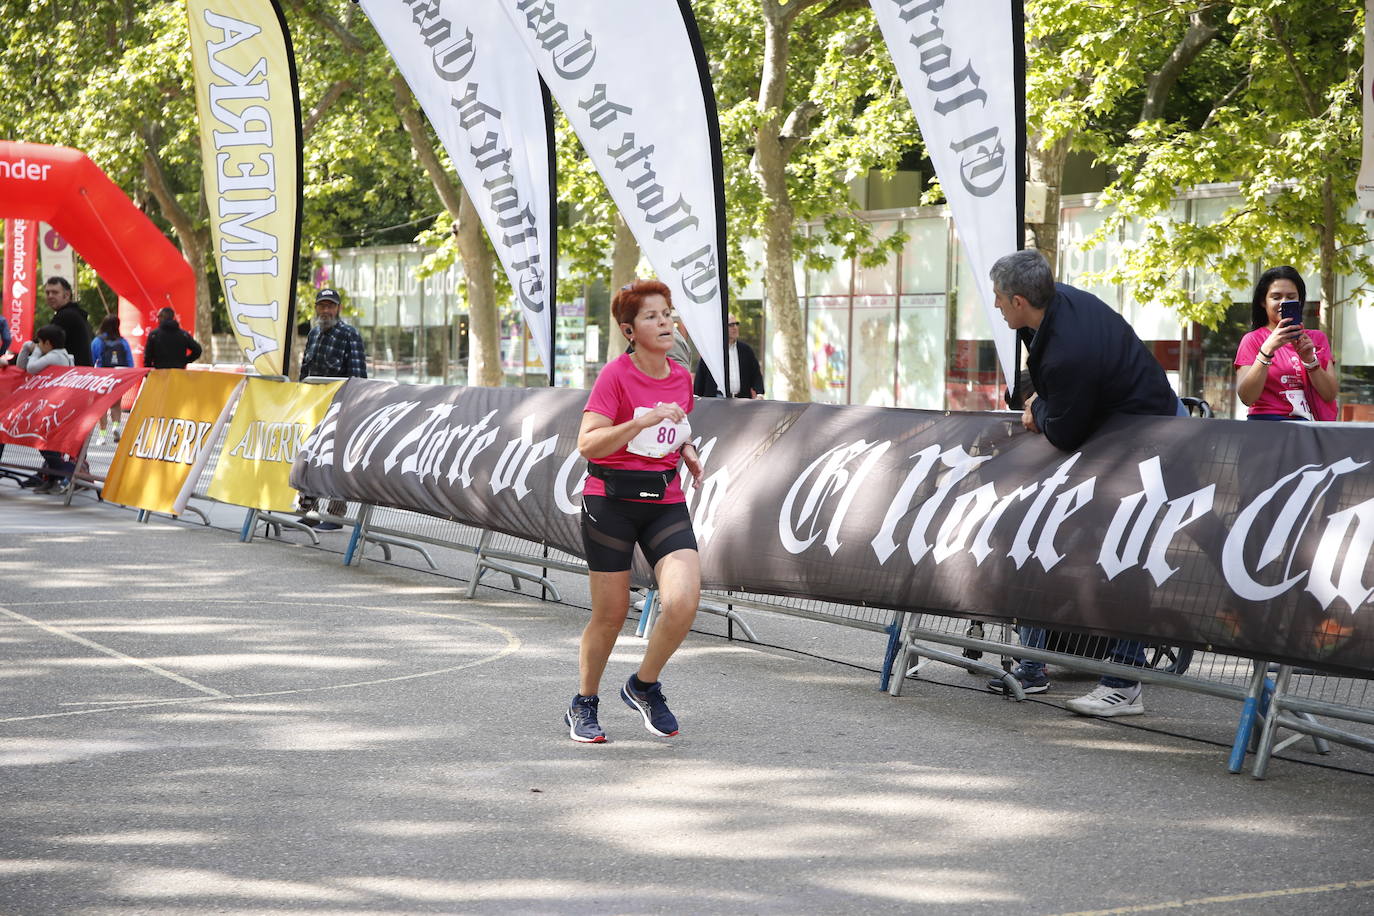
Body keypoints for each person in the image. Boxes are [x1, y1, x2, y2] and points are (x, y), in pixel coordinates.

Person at [985, 249, 1181, 718]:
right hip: (1123, 434)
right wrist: (1040, 402)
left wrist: (1038, 412)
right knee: (1043, 534)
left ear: (1017, 301)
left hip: (1150, 440)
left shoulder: (1070, 348)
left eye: (997, 299)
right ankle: (1034, 665)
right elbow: (1053, 390)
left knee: (1126, 555)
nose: (993, 306)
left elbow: (1065, 428)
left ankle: (1124, 680)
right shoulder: (1058, 305)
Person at [566, 279, 705, 743]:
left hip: (664, 499)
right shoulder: (615, 377)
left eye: (666, 313)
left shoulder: (682, 376)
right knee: (610, 613)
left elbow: (674, 428)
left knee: (684, 601)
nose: (664, 322)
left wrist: (685, 448)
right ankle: (583, 703)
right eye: (651, 316)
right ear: (629, 330)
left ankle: (643, 685)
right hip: (610, 501)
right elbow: (588, 443)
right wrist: (639, 420)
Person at [297, 288, 367, 531]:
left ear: (338, 309)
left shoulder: (350, 335)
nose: (326, 310)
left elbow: (358, 376)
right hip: (314, 408)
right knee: (309, 457)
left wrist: (354, 408)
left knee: (336, 461)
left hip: (341, 409)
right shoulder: (314, 334)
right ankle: (308, 512)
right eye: (322, 306)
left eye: (330, 306)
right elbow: (304, 373)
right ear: (316, 308)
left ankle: (335, 516)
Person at [1235, 266, 1337, 421]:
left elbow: (1329, 395)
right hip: (1267, 425)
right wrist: (1267, 350)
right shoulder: (1253, 340)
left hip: (1309, 428)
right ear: (1263, 301)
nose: (1283, 303)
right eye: (1276, 297)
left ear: (1300, 300)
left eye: (1291, 297)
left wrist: (1310, 361)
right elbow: (1247, 398)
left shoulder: (1316, 339)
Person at [16, 324, 76, 493]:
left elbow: (31, 368)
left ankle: (68, 474)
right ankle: (53, 478)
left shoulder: (57, 356)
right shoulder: (53, 354)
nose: (37, 345)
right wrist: (25, 348)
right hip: (50, 406)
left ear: (48, 344)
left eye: (39, 342)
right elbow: (22, 367)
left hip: (56, 407)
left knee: (46, 445)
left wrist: (33, 351)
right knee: (45, 445)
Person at [694, 313, 765, 398]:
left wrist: (759, 393)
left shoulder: (746, 350)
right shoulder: (712, 352)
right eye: (731, 325)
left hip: (742, 400)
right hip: (717, 400)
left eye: (736, 324)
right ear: (721, 328)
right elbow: (700, 378)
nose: (735, 328)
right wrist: (697, 398)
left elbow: (756, 374)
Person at [91, 314, 134, 444]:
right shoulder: (123, 342)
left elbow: (93, 359)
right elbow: (130, 362)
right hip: (119, 376)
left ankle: (102, 435)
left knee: (102, 406)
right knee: (116, 405)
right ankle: (116, 427)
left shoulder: (97, 341)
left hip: (102, 376)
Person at [44, 277, 93, 366]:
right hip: (80, 373)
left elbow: (43, 344)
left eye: (55, 292)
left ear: (66, 295)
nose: (50, 296)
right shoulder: (75, 314)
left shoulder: (66, 316)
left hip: (73, 375)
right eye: (47, 293)